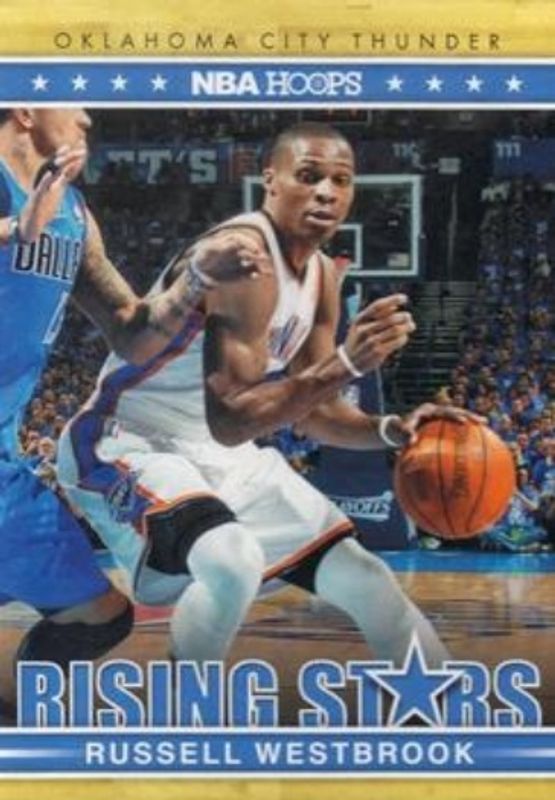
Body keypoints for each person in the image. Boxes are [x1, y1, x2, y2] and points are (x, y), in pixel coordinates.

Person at [59, 122, 479, 668]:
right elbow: (231, 420)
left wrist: (391, 431)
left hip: (219, 454)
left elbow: (316, 413)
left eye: (340, 180)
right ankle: (187, 703)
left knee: (366, 580)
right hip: (128, 438)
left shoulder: (322, 275)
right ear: (270, 182)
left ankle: (448, 706)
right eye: (308, 176)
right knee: (231, 562)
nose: (326, 192)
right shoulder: (243, 257)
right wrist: (347, 363)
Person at [0, 107, 267, 687]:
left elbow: (129, 328)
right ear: (24, 110)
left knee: (97, 615)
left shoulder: (73, 214)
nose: (86, 116)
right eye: (71, 101)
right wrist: (16, 229)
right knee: (94, 613)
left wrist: (196, 280)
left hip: (6, 452)